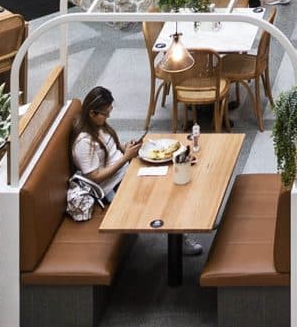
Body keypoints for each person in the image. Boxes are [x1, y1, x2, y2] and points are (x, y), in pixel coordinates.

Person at [70, 86, 206, 254]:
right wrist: (126, 157)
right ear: (92, 113)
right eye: (105, 113)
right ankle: (179, 241)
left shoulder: (100, 125)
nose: (108, 117)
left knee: (168, 175)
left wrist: (127, 147)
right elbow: (96, 176)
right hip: (113, 187)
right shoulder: (83, 143)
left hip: (127, 171)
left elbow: (114, 147)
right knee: (160, 196)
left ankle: (184, 227)